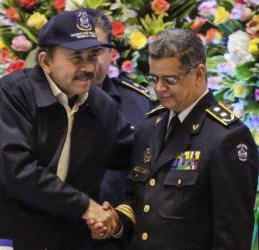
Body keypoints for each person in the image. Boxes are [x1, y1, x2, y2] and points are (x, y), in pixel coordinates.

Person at [0, 9, 134, 250]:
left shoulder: (103, 106)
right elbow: (17, 170)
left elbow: (132, 155)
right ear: (45, 62)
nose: (88, 67)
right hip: (2, 239)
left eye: (93, 55)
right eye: (76, 57)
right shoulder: (13, 93)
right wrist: (86, 206)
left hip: (67, 240)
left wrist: (115, 216)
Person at [90, 28, 259, 250]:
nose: (160, 88)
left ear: (199, 74)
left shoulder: (227, 137)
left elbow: (231, 234)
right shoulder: (149, 127)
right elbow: (137, 202)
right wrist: (116, 223)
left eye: (170, 79)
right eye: (154, 78)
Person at [86, 8, 152, 207]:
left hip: (123, 226)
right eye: (79, 53)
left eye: (97, 51)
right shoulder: (40, 101)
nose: (89, 63)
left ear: (110, 52)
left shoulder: (138, 102)